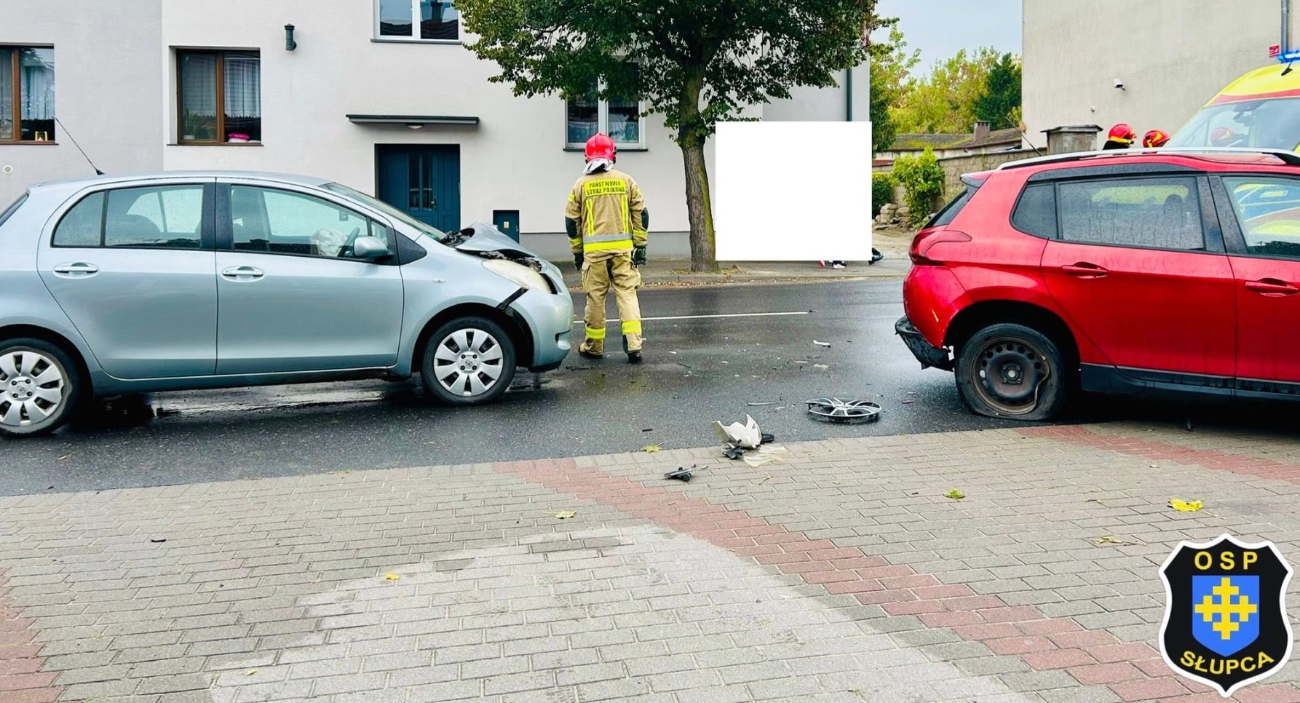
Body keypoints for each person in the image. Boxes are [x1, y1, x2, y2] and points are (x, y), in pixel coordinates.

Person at [565, 133, 648, 364]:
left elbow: (572, 222)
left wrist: (577, 251)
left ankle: (594, 346)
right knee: (627, 295)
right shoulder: (626, 181)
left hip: (594, 256)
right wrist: (640, 245)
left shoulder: (580, 185)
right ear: (614, 155)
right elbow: (641, 213)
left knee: (595, 299)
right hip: (623, 253)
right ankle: (634, 344)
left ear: (586, 157)